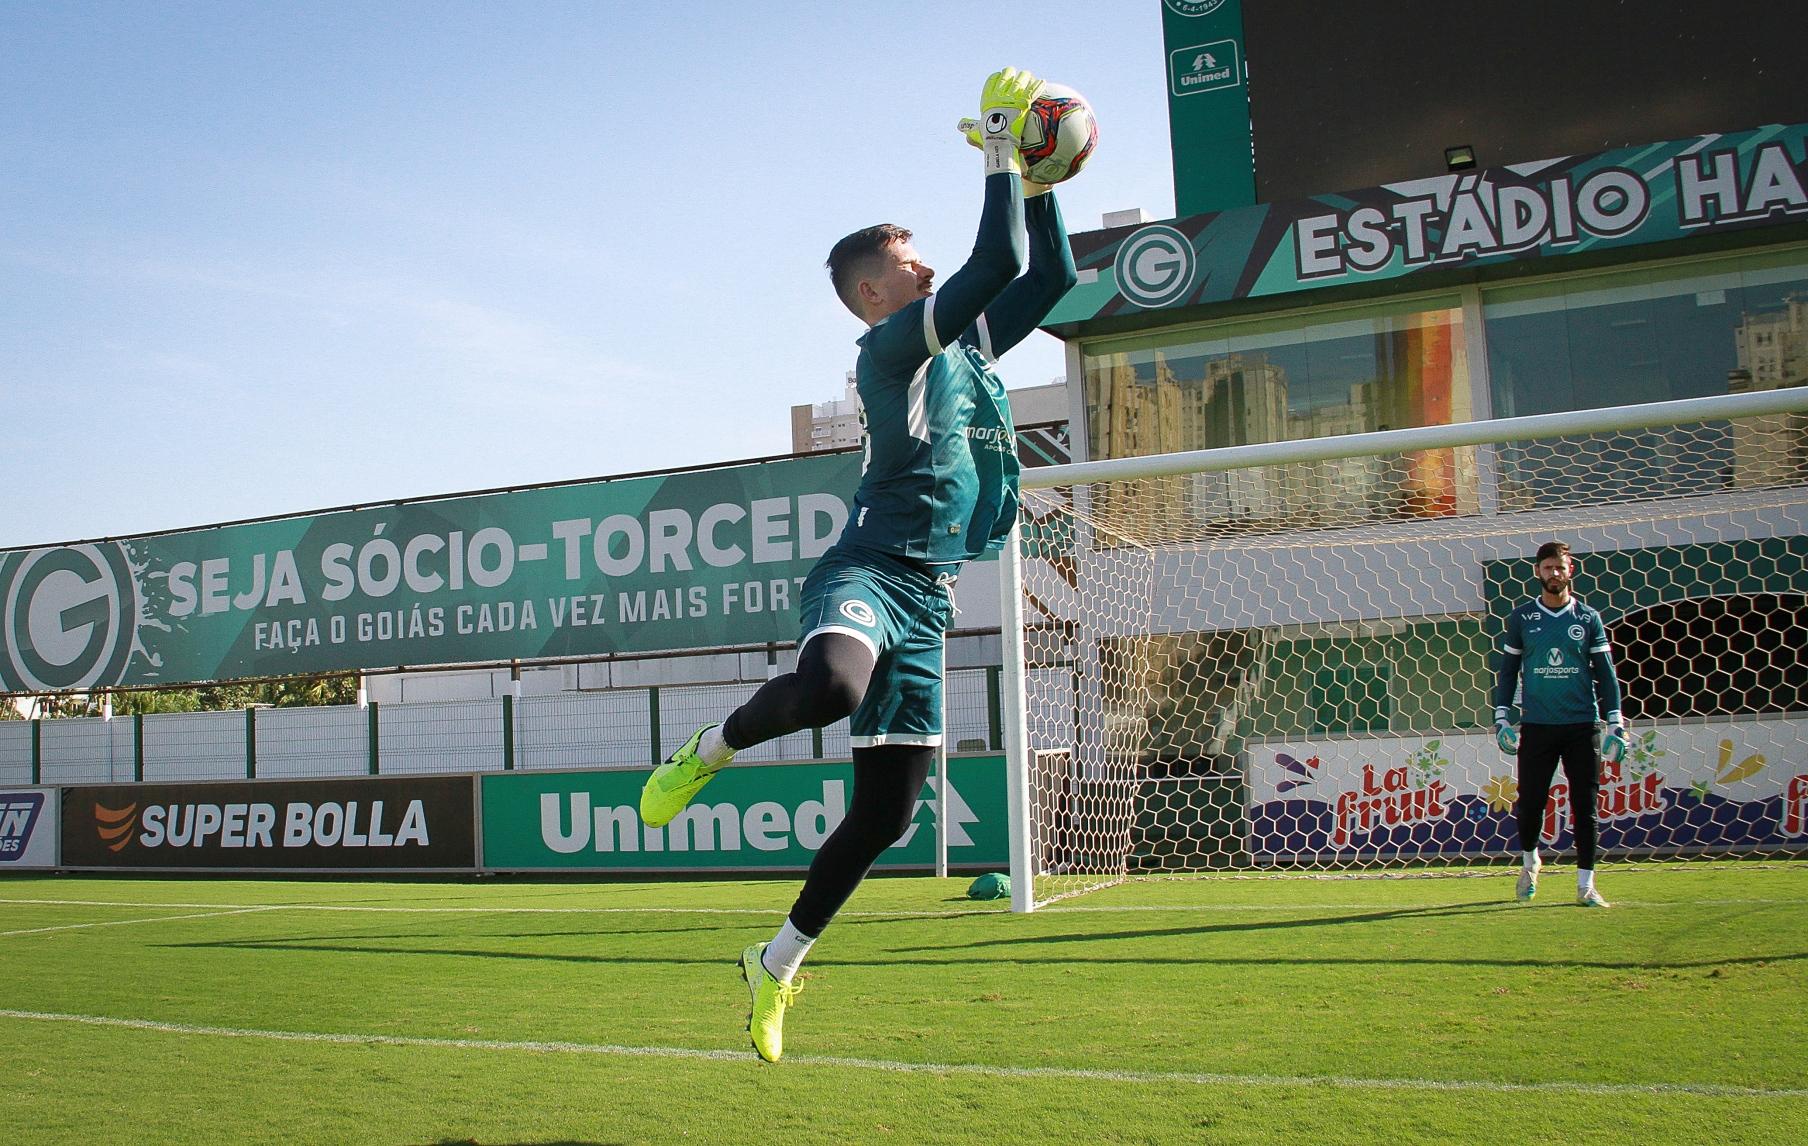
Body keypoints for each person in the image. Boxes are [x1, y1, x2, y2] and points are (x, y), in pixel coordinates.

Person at [638, 67, 1076, 1062]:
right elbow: (997, 252)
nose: (929, 273)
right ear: (874, 293)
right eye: (912, 264)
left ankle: (775, 965)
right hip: (866, 569)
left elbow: (1046, 278)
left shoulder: (960, 346)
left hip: (926, 598)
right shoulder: (891, 350)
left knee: (883, 816)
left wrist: (1043, 176)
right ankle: (709, 748)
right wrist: (1005, 151)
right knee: (832, 686)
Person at [1492, 540, 1627, 908]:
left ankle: (1586, 885)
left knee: (1586, 805)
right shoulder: (1522, 618)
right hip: (1537, 726)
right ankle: (1530, 860)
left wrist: (1616, 723)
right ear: (1538, 572)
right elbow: (1508, 672)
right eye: (1548, 567)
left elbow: (1606, 675)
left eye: (1561, 567)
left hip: (1582, 726)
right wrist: (1502, 717)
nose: (1555, 573)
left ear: (1572, 571)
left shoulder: (1587, 618)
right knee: (1532, 802)